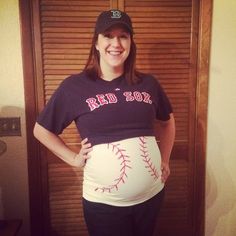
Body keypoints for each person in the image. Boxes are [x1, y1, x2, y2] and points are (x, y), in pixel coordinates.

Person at [33, 9, 175, 236]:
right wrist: (73, 158)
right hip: (104, 206)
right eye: (108, 35)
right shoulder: (74, 86)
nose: (116, 43)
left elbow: (167, 123)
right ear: (96, 43)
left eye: (123, 36)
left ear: (130, 42)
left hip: (151, 196)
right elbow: (41, 130)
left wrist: (165, 159)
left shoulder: (148, 83)